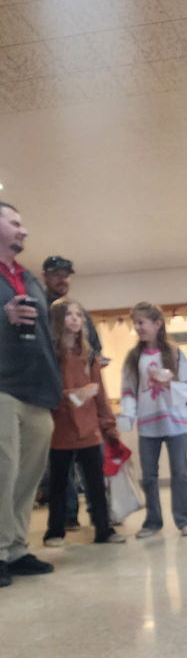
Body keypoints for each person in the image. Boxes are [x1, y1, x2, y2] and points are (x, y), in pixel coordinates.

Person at [0, 201, 61, 587]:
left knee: (27, 475)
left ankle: (17, 547)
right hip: (3, 386)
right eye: (15, 222)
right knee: (3, 472)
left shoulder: (29, 278)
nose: (23, 230)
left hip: (39, 390)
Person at [44, 298, 125, 547]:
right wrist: (71, 395)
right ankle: (55, 531)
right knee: (58, 482)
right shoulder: (50, 355)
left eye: (78, 315)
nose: (75, 319)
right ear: (58, 320)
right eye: (69, 315)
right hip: (61, 427)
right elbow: (46, 392)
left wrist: (109, 426)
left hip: (89, 428)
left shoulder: (89, 355)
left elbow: (100, 393)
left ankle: (103, 529)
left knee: (95, 483)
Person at [119, 301, 187, 539]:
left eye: (141, 322)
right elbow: (128, 388)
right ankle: (153, 521)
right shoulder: (134, 357)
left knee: (180, 473)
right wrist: (128, 416)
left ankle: (186, 520)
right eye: (136, 323)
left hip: (175, 422)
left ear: (157, 324)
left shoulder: (174, 353)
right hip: (148, 424)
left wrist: (168, 383)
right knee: (149, 475)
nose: (138, 327)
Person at [41, 255, 104, 529]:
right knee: (59, 474)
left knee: (93, 472)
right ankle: (64, 520)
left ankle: (99, 520)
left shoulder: (82, 313)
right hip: (54, 413)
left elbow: (95, 353)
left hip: (87, 415)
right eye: (57, 274)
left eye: (66, 274)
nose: (62, 279)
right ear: (45, 275)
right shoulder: (40, 311)